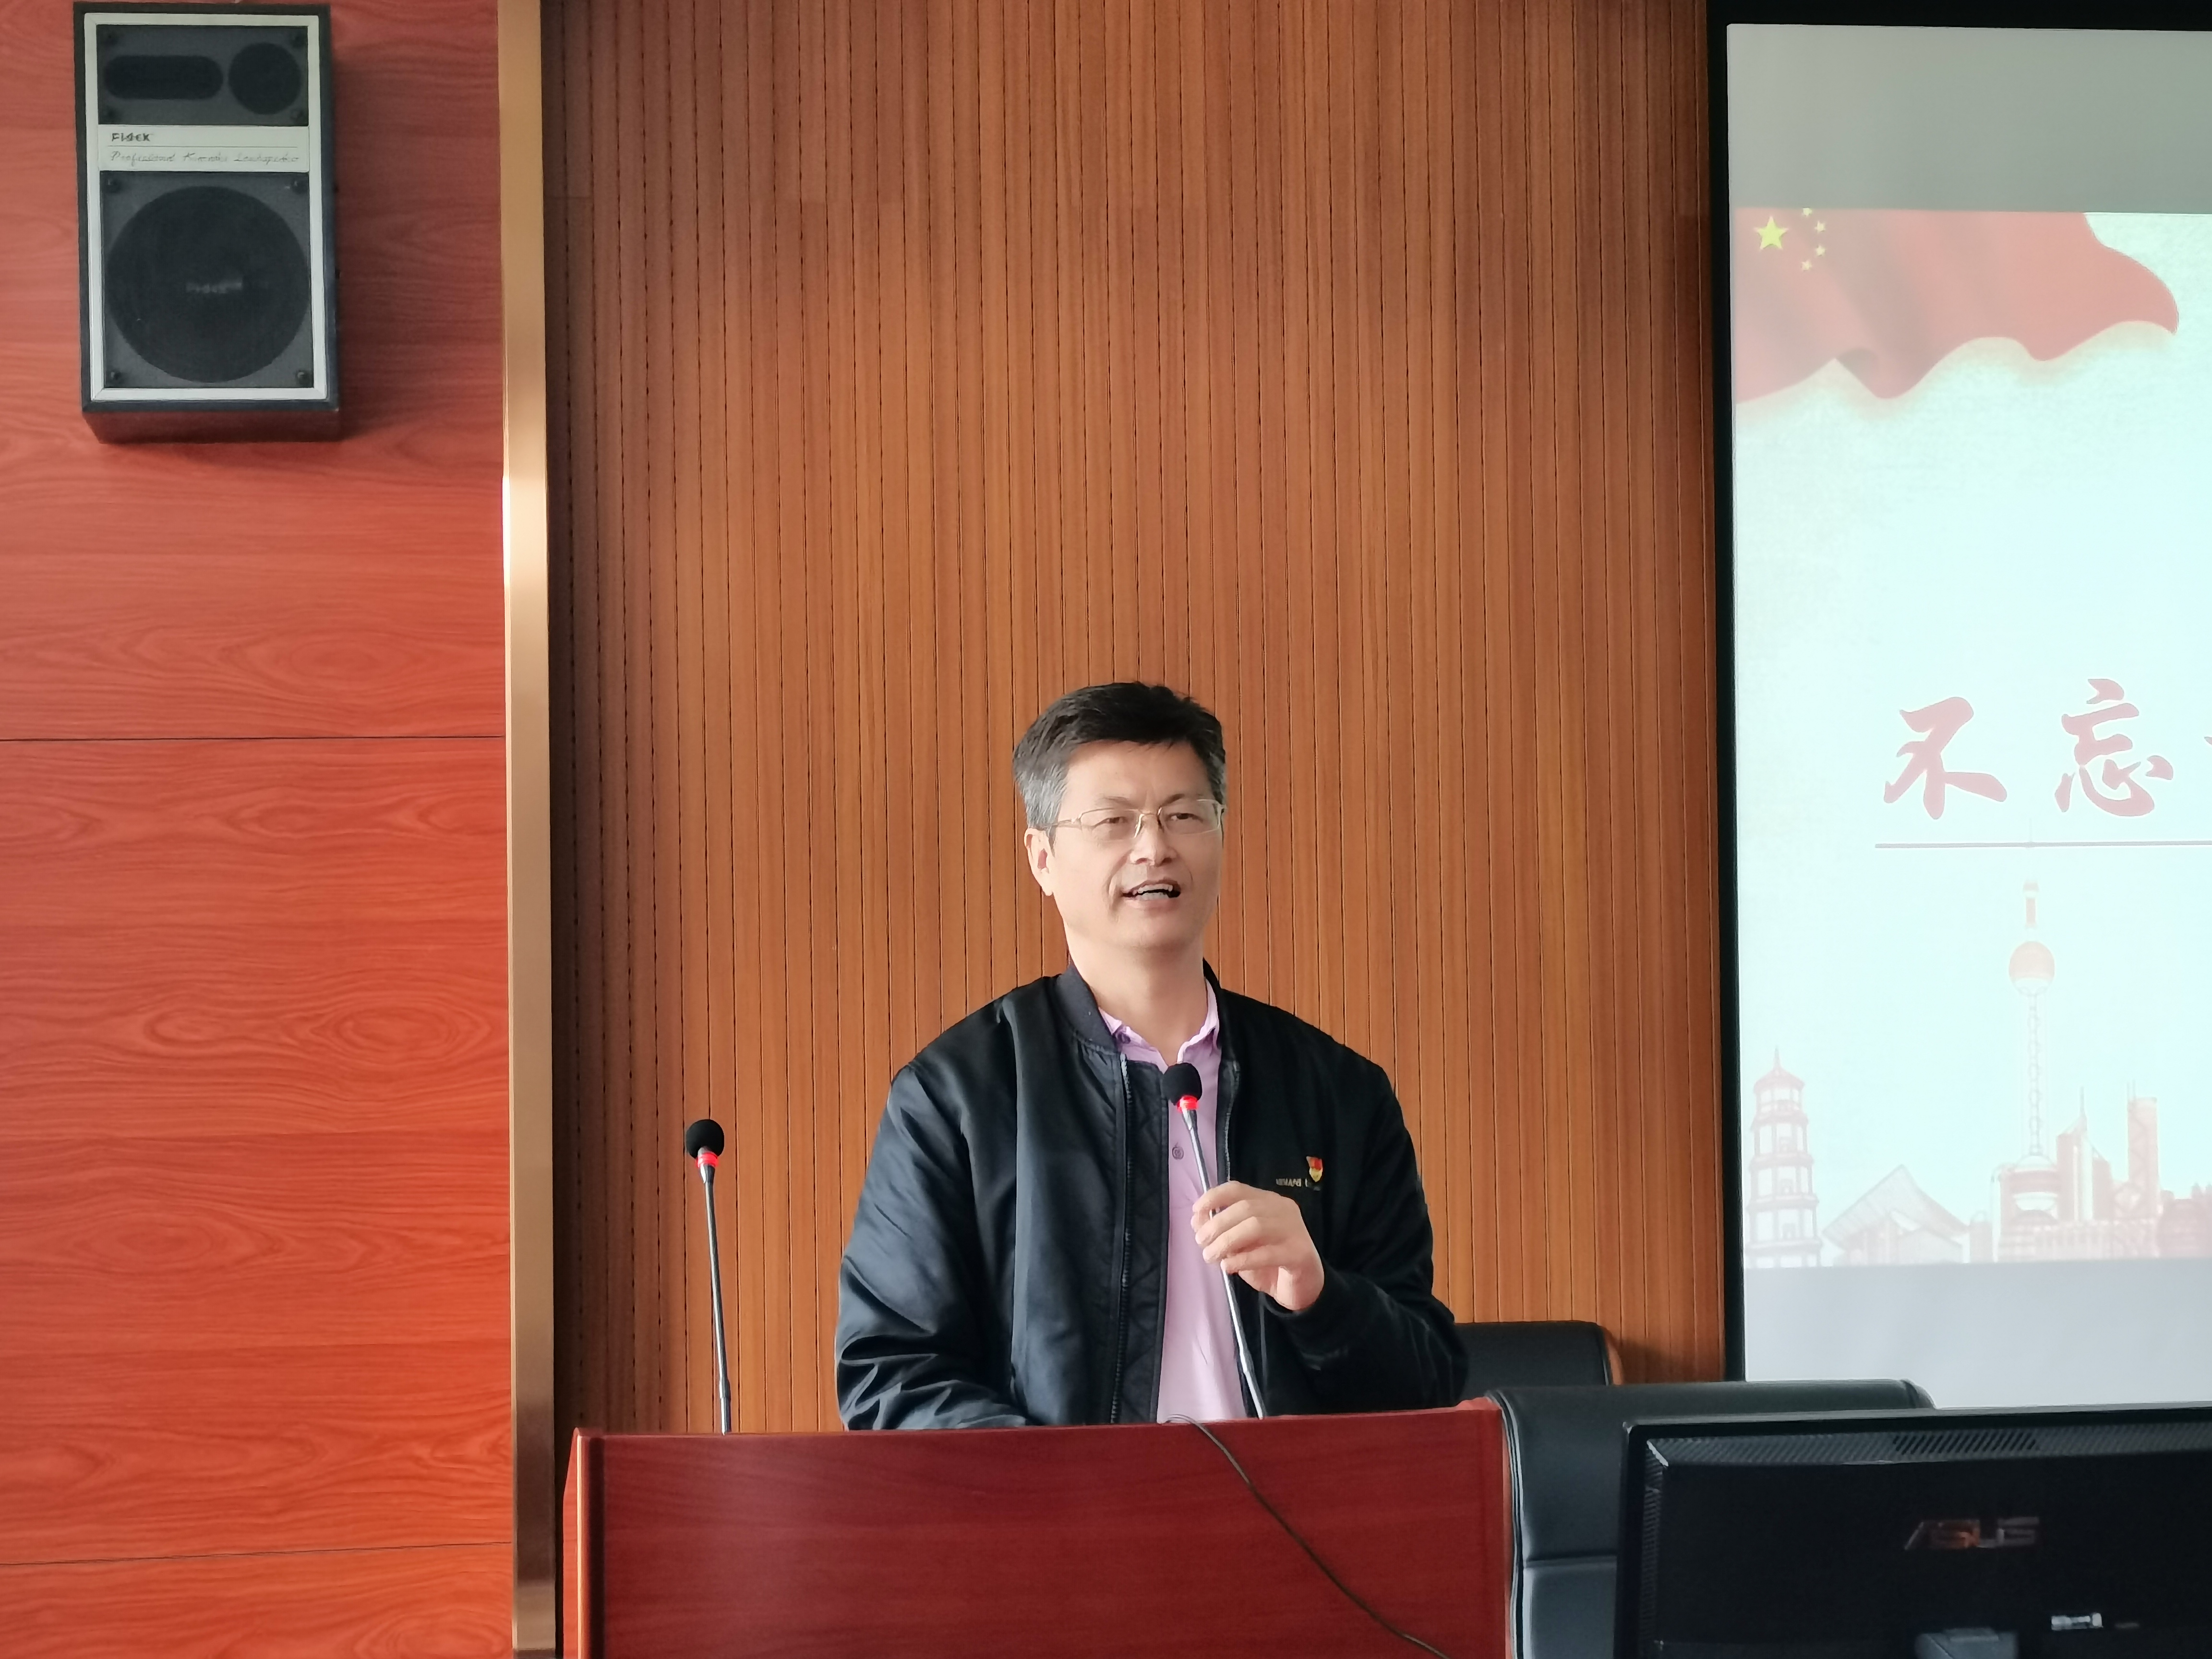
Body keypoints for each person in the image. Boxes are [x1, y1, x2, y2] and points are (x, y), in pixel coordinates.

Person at [836, 682, 1464, 1427]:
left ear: (1220, 834)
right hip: (1062, 1505)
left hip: (1288, 1504)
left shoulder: (1339, 1092)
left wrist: (1320, 1295)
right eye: (1113, 821)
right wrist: (1071, 1483)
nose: (1154, 847)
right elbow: (892, 1376)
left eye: (1184, 815)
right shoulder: (956, 1096)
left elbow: (1428, 1382)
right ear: (1043, 858)